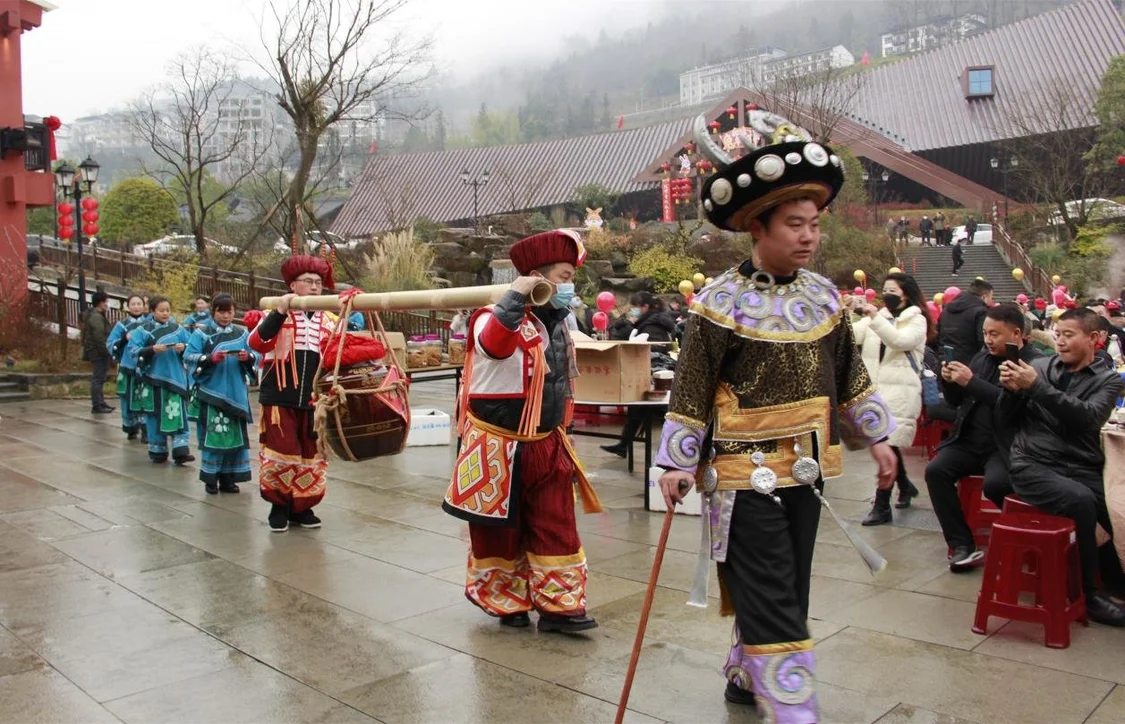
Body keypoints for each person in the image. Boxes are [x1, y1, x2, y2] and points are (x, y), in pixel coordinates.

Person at [656, 110, 897, 720]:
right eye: (794, 223)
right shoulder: (717, 303)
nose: (809, 235)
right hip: (743, 475)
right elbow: (691, 388)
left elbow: (850, 375)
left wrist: (880, 439)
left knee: (789, 585)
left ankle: (745, 672)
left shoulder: (825, 297)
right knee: (771, 593)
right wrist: (676, 464)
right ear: (756, 226)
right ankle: (796, 710)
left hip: (808, 469)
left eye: (814, 223)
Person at [442, 229, 603, 634]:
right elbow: (495, 345)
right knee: (499, 533)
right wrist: (515, 296)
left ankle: (560, 608)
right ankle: (506, 602)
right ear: (538, 277)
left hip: (547, 441)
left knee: (556, 522)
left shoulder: (561, 322)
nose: (570, 286)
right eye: (564, 276)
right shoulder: (489, 316)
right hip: (498, 443)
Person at [1000, 308, 1125, 626]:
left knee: (1115, 504)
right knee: (1080, 501)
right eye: (1058, 334)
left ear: (1094, 339)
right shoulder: (1039, 367)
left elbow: (1087, 417)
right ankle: (1089, 594)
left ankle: (1115, 579)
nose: (1060, 341)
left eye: (1069, 335)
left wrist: (1035, 387)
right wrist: (1011, 391)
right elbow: (1007, 418)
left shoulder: (1108, 379)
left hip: (1080, 465)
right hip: (1033, 463)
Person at [925, 303, 1042, 571]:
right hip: (968, 440)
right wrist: (951, 381)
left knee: (997, 484)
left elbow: (1008, 405)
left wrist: (971, 382)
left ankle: (1025, 540)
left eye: (995, 334)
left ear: (1016, 333)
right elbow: (958, 402)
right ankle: (962, 544)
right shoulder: (981, 358)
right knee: (936, 471)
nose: (988, 340)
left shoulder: (1032, 364)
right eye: (986, 333)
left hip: (1005, 446)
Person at [249, 255, 337, 532]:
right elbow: (257, 343)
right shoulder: (273, 313)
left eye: (318, 283)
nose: (314, 287)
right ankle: (279, 506)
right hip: (279, 396)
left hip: (315, 401)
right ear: (292, 285)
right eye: (307, 282)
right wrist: (279, 313)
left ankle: (303, 507)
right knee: (281, 453)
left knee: (312, 454)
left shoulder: (331, 319)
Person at [851, 273, 931, 524]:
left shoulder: (916, 320)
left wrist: (873, 317)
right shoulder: (880, 317)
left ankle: (882, 504)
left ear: (905, 293)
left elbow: (899, 340)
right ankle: (905, 485)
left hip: (900, 390)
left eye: (892, 290)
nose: (887, 294)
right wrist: (846, 315)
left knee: (888, 439)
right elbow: (854, 336)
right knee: (888, 443)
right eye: (884, 289)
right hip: (874, 389)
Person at [184, 294, 261, 495]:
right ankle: (211, 478)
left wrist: (248, 357)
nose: (226, 316)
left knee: (235, 437)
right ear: (213, 312)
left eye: (230, 312)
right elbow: (188, 356)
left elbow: (257, 355)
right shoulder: (202, 334)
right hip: (212, 391)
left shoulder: (242, 334)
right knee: (214, 435)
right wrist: (210, 358)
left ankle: (229, 478)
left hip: (236, 392)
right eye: (222, 311)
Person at [601, 291, 676, 458]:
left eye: (635, 306)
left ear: (645, 307)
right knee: (637, 410)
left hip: (653, 374)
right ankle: (624, 445)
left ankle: (670, 450)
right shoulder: (650, 321)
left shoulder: (651, 325)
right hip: (648, 373)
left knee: (654, 412)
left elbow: (658, 349)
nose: (633, 309)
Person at [131, 296, 194, 465]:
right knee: (154, 414)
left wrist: (184, 348)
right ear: (152, 311)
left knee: (178, 412)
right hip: (153, 379)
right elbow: (133, 351)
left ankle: (181, 450)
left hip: (176, 379)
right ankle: (157, 450)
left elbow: (194, 348)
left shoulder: (178, 329)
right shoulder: (143, 330)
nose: (165, 313)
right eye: (161, 310)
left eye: (167, 310)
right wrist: (151, 349)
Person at [106, 294, 150, 440]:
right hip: (128, 365)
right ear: (127, 306)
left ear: (144, 306)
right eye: (133, 304)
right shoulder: (122, 325)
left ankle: (146, 430)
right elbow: (110, 344)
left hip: (146, 367)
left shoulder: (150, 323)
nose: (136, 307)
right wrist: (124, 339)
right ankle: (131, 427)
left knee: (145, 398)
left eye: (139, 304)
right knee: (128, 397)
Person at [938, 279, 992, 366]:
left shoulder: (946, 310)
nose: (991, 301)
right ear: (984, 297)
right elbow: (983, 340)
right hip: (969, 366)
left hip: (945, 362)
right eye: (991, 297)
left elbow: (938, 335)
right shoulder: (981, 311)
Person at [81, 291, 114, 414]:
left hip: (98, 352)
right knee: (98, 378)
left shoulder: (98, 316)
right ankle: (97, 404)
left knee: (100, 378)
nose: (108, 304)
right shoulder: (96, 317)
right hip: (98, 353)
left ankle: (101, 402)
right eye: (106, 301)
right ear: (101, 303)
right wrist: (106, 351)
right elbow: (99, 337)